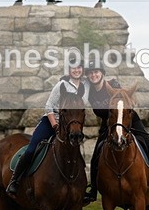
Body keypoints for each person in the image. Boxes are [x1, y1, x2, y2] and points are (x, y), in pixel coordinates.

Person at [83, 59, 149, 204]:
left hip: (128, 121)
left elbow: (126, 99)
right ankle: (93, 190)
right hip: (109, 124)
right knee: (96, 154)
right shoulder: (90, 91)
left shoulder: (113, 85)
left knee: (148, 146)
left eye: (96, 72)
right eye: (91, 73)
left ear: (102, 73)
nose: (94, 75)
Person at [6, 56, 88, 196]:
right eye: (73, 68)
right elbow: (49, 106)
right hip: (52, 122)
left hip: (71, 125)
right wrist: (54, 125)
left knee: (76, 154)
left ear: (82, 69)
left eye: (79, 68)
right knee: (32, 149)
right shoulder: (61, 85)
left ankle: (79, 188)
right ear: (69, 70)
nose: (76, 70)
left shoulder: (85, 86)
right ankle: (15, 180)